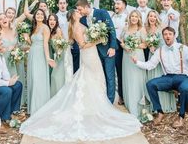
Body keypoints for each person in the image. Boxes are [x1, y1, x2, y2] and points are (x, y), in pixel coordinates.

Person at [20, 9, 141, 141]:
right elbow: (82, 45)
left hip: (92, 54)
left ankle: (95, 107)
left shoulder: (81, 23)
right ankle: (94, 108)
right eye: (77, 12)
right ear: (73, 16)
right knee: (92, 78)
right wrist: (98, 40)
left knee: (95, 79)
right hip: (88, 55)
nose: (79, 12)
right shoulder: (76, 27)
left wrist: (97, 37)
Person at [132, 27, 188, 128]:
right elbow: (150, 65)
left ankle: (181, 116)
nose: (167, 36)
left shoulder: (183, 48)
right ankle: (160, 112)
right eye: (165, 34)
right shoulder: (160, 50)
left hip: (182, 77)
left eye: (170, 34)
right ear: (163, 36)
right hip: (168, 78)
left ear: (174, 35)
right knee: (150, 84)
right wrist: (136, 62)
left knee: (185, 88)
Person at [76, 0, 117, 104]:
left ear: (86, 7)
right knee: (101, 77)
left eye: (80, 9)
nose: (79, 12)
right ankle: (102, 100)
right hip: (94, 52)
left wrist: (112, 47)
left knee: (110, 76)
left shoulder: (102, 12)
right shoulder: (83, 20)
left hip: (108, 50)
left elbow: (111, 29)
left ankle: (110, 102)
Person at [23, 9, 55, 115]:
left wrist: (47, 58)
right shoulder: (34, 27)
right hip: (32, 54)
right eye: (38, 14)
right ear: (35, 16)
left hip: (41, 56)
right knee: (32, 79)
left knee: (38, 80)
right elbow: (33, 43)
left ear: (44, 16)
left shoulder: (45, 28)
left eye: (42, 14)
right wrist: (27, 39)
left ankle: (40, 109)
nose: (40, 15)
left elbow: (45, 44)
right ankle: (33, 107)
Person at [144, 10, 176, 113]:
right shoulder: (146, 28)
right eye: (150, 16)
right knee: (152, 79)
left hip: (161, 56)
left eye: (154, 16)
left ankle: (166, 105)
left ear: (157, 17)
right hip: (151, 55)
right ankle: (156, 106)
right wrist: (150, 46)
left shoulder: (162, 27)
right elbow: (145, 41)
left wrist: (157, 49)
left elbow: (166, 42)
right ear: (148, 18)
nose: (152, 18)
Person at [120, 10, 147, 117]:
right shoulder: (125, 29)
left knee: (137, 79)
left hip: (138, 56)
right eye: (132, 16)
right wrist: (125, 46)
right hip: (126, 57)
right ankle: (129, 106)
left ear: (139, 18)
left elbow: (145, 45)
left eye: (136, 16)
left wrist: (132, 46)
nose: (134, 18)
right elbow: (121, 41)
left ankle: (139, 107)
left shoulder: (141, 29)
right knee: (128, 79)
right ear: (129, 17)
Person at [56, 0, 80, 74]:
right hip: (62, 44)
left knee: (75, 65)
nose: (62, 5)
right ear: (57, 5)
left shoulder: (72, 14)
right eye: (60, 3)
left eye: (64, 3)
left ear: (67, 4)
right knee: (64, 65)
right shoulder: (55, 17)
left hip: (74, 43)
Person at [47, 14, 67, 97]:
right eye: (50, 20)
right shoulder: (49, 31)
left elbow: (62, 44)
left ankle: (60, 97)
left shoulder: (58, 30)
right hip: (56, 56)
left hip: (61, 56)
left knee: (57, 76)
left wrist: (58, 53)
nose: (52, 21)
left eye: (54, 20)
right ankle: (55, 97)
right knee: (54, 76)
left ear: (56, 22)